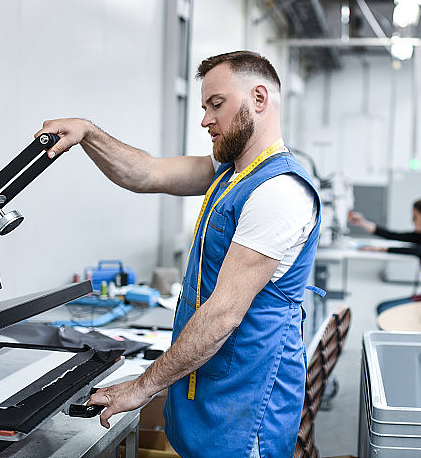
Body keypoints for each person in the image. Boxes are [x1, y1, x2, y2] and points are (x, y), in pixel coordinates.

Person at [35, 51, 320, 458]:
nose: (205, 120)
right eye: (205, 107)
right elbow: (146, 172)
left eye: (216, 105)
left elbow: (223, 315)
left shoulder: (278, 192)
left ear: (259, 98)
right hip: (211, 384)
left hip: (246, 399)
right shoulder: (231, 170)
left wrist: (142, 387)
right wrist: (87, 133)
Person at [347, 198, 421, 314]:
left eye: (415, 217)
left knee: (384, 309)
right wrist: (363, 223)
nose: (412, 220)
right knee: (383, 308)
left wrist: (381, 249)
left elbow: (418, 251)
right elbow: (393, 235)